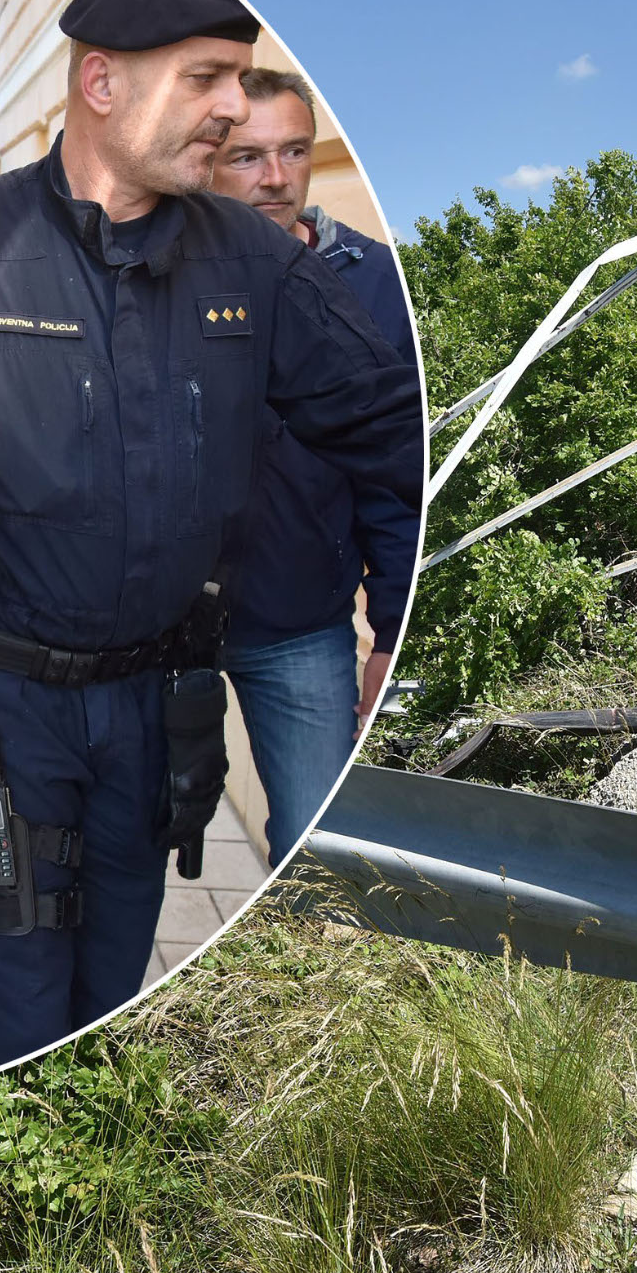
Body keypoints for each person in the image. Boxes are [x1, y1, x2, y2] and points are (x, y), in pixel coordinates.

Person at [0, 0, 421, 1085]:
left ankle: (69, 1221)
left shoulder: (254, 266)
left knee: (110, 988)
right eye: (204, 79)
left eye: (239, 79)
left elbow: (390, 427)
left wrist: (407, 609)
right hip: (0, 713)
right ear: (100, 83)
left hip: (154, 707)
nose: (233, 108)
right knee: (8, 998)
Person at [208, 67, 418, 864]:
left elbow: (402, 480)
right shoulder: (163, 273)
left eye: (295, 151)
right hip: (161, 629)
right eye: (247, 157)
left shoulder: (376, 282)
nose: (276, 178)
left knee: (318, 846)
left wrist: (392, 632)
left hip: (300, 624)